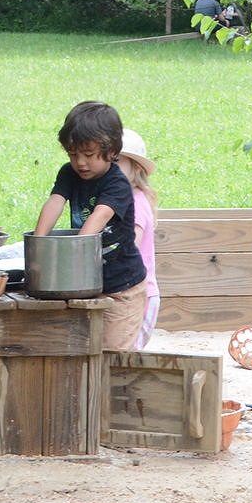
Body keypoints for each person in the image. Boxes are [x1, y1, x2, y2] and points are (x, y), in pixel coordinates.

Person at [31, 101, 148, 352]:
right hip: (86, 284)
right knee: (80, 349)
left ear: (112, 151)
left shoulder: (117, 182)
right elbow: (55, 202)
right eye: (73, 154)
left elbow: (100, 215)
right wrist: (38, 244)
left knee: (112, 352)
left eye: (89, 155)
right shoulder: (68, 173)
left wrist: (77, 250)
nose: (80, 163)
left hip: (122, 286)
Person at [116, 128, 162, 351]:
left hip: (141, 295)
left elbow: (130, 246)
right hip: (130, 293)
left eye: (117, 163)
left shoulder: (136, 202)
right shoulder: (120, 199)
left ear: (135, 168)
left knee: (128, 351)